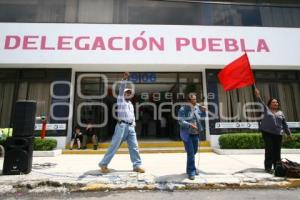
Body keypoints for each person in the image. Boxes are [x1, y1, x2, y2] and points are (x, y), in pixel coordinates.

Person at [98, 72, 145, 173]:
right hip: (122, 126)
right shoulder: (120, 100)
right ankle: (103, 164)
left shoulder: (131, 104)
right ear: (123, 94)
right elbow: (120, 90)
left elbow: (132, 116)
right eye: (126, 93)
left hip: (130, 127)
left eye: (129, 93)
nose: (127, 94)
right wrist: (124, 80)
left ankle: (137, 165)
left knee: (134, 147)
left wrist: (133, 124)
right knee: (114, 146)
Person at [254, 88, 293, 174]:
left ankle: (277, 167)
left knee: (277, 150)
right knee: (269, 149)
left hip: (278, 134)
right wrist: (258, 95)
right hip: (267, 133)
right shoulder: (266, 109)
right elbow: (261, 102)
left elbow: (284, 124)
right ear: (269, 104)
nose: (275, 103)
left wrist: (289, 134)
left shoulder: (280, 113)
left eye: (276, 102)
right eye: (273, 102)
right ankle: (268, 167)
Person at [178, 93, 206, 180]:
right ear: (188, 101)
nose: (195, 101)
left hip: (195, 134)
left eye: (195, 99)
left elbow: (201, 118)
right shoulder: (183, 109)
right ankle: (191, 172)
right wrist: (190, 125)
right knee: (191, 153)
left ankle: (189, 169)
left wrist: (204, 111)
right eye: (193, 100)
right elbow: (180, 121)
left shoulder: (197, 108)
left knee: (194, 152)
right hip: (187, 134)